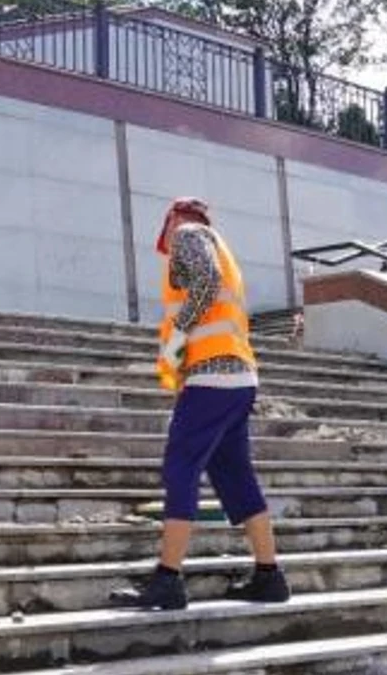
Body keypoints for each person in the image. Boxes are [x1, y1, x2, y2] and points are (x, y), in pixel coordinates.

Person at [109, 196, 288, 611]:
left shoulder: (189, 235)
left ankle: (168, 579)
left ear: (174, 219)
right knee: (236, 476)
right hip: (239, 378)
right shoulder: (222, 248)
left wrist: (178, 336)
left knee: (181, 468)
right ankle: (269, 575)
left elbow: (204, 283)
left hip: (211, 378)